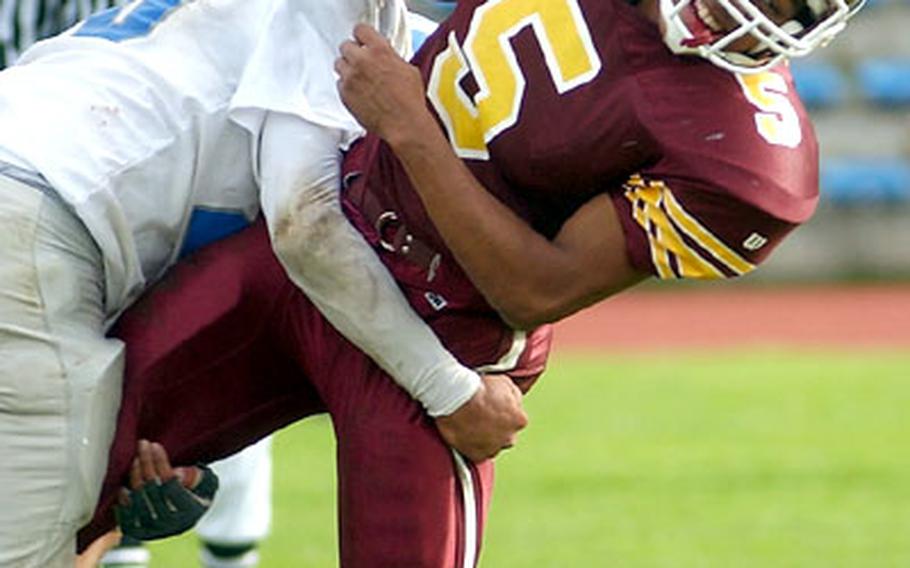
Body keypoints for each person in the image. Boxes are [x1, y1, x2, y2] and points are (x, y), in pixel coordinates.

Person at [77, 0, 864, 564]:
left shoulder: (748, 157)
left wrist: (411, 127)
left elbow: (537, 288)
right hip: (316, 246)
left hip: (446, 342)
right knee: (72, 479)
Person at [0, 0, 526, 566]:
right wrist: (450, 390)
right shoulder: (347, 26)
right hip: (31, 223)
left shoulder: (188, 39)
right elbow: (305, 221)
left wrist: (139, 456)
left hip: (41, 220)